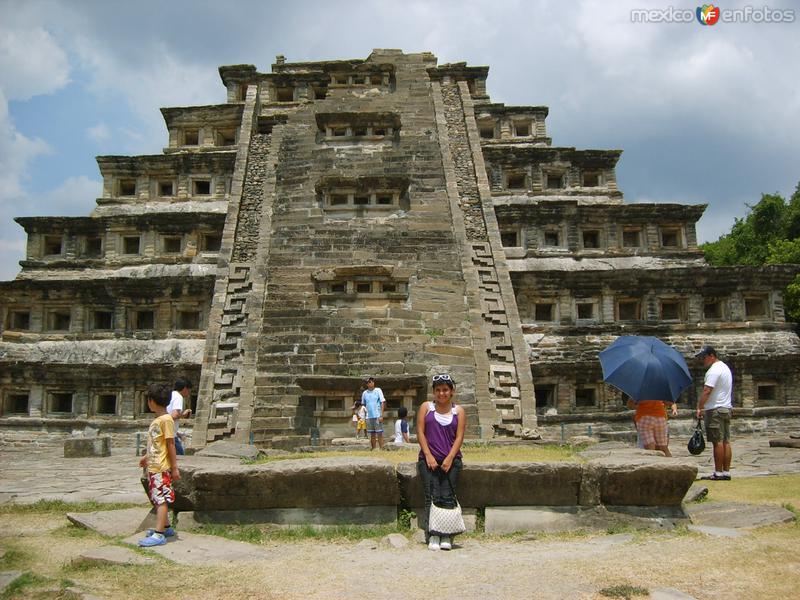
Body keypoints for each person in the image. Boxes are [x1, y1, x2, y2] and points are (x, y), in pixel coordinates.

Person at [417, 373, 466, 551]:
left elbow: (460, 436)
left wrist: (450, 458)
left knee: (447, 496)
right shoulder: (426, 407)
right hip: (428, 460)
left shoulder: (458, 411)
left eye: (445, 390)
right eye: (438, 390)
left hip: (451, 460)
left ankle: (447, 534)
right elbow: (420, 432)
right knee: (431, 496)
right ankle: (433, 533)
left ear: (451, 391)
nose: (442, 393)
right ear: (433, 392)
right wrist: (428, 455)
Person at [138, 383, 180, 547]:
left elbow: (170, 444)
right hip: (154, 465)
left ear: (151, 401)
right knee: (157, 498)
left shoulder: (166, 420)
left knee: (160, 500)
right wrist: (147, 457)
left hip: (161, 467)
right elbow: (157, 445)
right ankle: (167, 527)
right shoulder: (159, 420)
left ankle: (159, 534)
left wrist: (174, 467)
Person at [695, 345, 734, 480]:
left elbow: (707, 390)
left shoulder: (714, 370)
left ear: (712, 356)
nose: (702, 360)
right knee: (725, 441)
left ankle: (718, 472)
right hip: (726, 407)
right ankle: (726, 471)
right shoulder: (724, 368)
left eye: (704, 357)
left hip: (715, 409)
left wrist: (700, 407)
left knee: (717, 441)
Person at [168, 377, 193, 455]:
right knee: (180, 457)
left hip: (167, 432)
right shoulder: (178, 397)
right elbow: (175, 415)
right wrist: (184, 414)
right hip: (171, 435)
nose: (189, 393)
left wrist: (178, 434)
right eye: (189, 390)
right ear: (185, 388)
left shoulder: (170, 395)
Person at [361, 377, 386, 450]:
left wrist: (381, 414)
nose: (371, 383)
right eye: (369, 382)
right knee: (372, 433)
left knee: (379, 433)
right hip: (369, 416)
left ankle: (382, 448)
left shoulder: (378, 390)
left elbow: (382, 402)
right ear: (367, 384)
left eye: (372, 381)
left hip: (377, 415)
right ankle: (374, 448)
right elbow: (363, 404)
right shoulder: (365, 393)